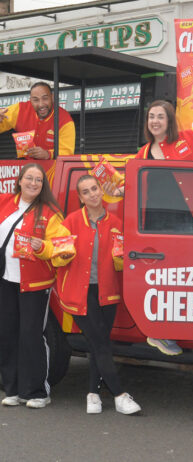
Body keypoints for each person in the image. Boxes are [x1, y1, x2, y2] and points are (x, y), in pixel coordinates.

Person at [106, 93, 193, 356]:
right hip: (160, 222)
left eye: (160, 116)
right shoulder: (142, 154)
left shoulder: (189, 139)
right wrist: (116, 190)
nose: (155, 121)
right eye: (151, 117)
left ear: (170, 121)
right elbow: (131, 190)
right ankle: (159, 331)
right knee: (165, 278)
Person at [54, 175, 141, 415]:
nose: (92, 194)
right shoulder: (70, 222)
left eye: (95, 188)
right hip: (78, 293)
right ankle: (119, 394)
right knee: (100, 343)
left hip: (107, 294)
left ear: (101, 190)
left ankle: (93, 394)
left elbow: (121, 258)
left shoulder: (116, 222)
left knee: (97, 344)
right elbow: (57, 252)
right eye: (86, 191)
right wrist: (60, 254)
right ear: (80, 198)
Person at [0, 163, 70, 409]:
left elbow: (63, 250)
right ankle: (14, 389)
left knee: (31, 336)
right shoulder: (5, 203)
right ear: (19, 180)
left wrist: (44, 249)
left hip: (35, 284)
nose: (33, 183)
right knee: (7, 334)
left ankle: (38, 391)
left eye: (38, 180)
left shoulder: (50, 213)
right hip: (6, 280)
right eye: (29, 178)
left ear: (43, 185)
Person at [0, 81, 75, 158]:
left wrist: (48, 154)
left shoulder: (65, 119)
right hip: (26, 167)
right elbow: (2, 116)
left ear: (52, 98)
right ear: (30, 100)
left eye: (45, 98)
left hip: (53, 168)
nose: (41, 104)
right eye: (35, 100)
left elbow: (67, 152)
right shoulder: (20, 109)